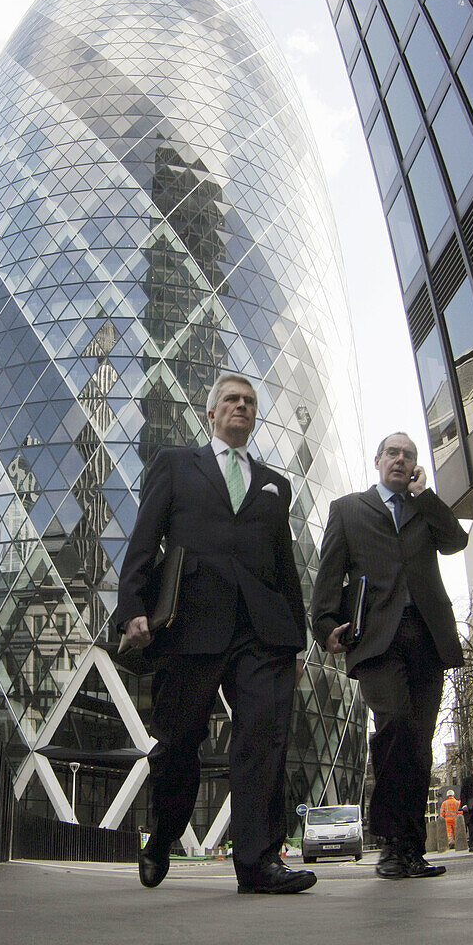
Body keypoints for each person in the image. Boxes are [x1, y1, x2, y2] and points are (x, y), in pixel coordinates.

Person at [117, 372, 315, 895]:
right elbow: (145, 537)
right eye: (232, 399)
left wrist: (297, 642)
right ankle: (162, 835)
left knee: (262, 739)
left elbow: (285, 567)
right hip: (193, 623)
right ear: (211, 412)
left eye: (250, 401)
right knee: (177, 742)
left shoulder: (276, 483)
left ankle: (257, 863)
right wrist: (132, 606)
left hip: (263, 630)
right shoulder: (177, 465)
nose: (242, 407)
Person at [311, 433, 468, 880]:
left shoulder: (424, 508)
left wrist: (425, 494)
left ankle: (409, 850)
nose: (401, 460)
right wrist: (325, 628)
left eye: (409, 455)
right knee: (395, 722)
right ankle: (389, 839)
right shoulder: (348, 509)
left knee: (418, 743)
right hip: (377, 640)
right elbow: (329, 575)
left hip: (428, 638)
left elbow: (456, 541)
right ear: (377, 460)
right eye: (393, 453)